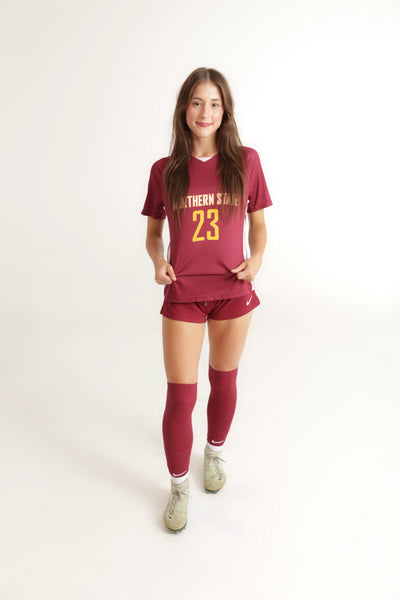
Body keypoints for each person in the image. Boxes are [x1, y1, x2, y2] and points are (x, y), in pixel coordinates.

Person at [141, 67, 272, 532]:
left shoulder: (246, 161)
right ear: (184, 109)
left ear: (225, 111)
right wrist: (158, 260)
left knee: (224, 381)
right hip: (184, 294)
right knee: (181, 396)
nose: (205, 112)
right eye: (197, 102)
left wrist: (256, 259)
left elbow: (258, 224)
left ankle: (213, 454)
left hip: (233, 291)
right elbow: (153, 232)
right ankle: (178, 487)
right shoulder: (165, 170)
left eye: (215, 104)